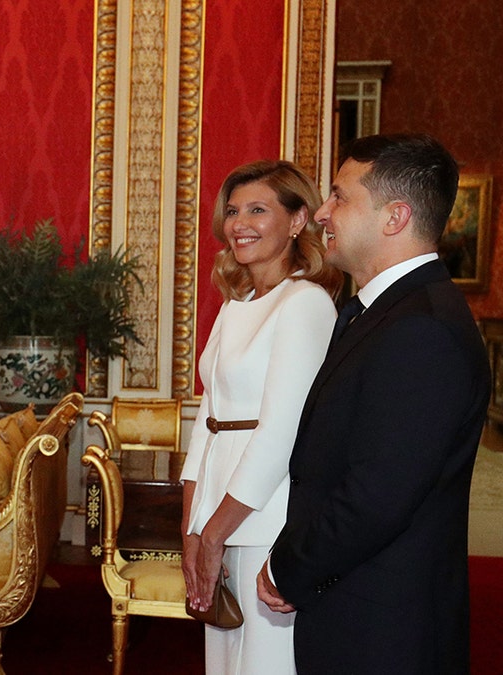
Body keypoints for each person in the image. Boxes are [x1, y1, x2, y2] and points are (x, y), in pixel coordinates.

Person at [257, 134, 491, 674]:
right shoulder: (382, 311)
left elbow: (377, 495)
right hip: (357, 609)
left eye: (340, 196)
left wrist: (289, 566)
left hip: (385, 631)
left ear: (395, 217)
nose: (321, 212)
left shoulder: (423, 328)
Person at [180, 160, 341, 674]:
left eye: (257, 209)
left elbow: (280, 435)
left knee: (264, 666)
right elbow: (209, 416)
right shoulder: (238, 300)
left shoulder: (305, 303)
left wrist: (214, 532)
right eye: (232, 211)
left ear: (297, 221)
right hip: (219, 517)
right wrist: (192, 526)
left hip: (266, 518)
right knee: (224, 663)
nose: (239, 223)